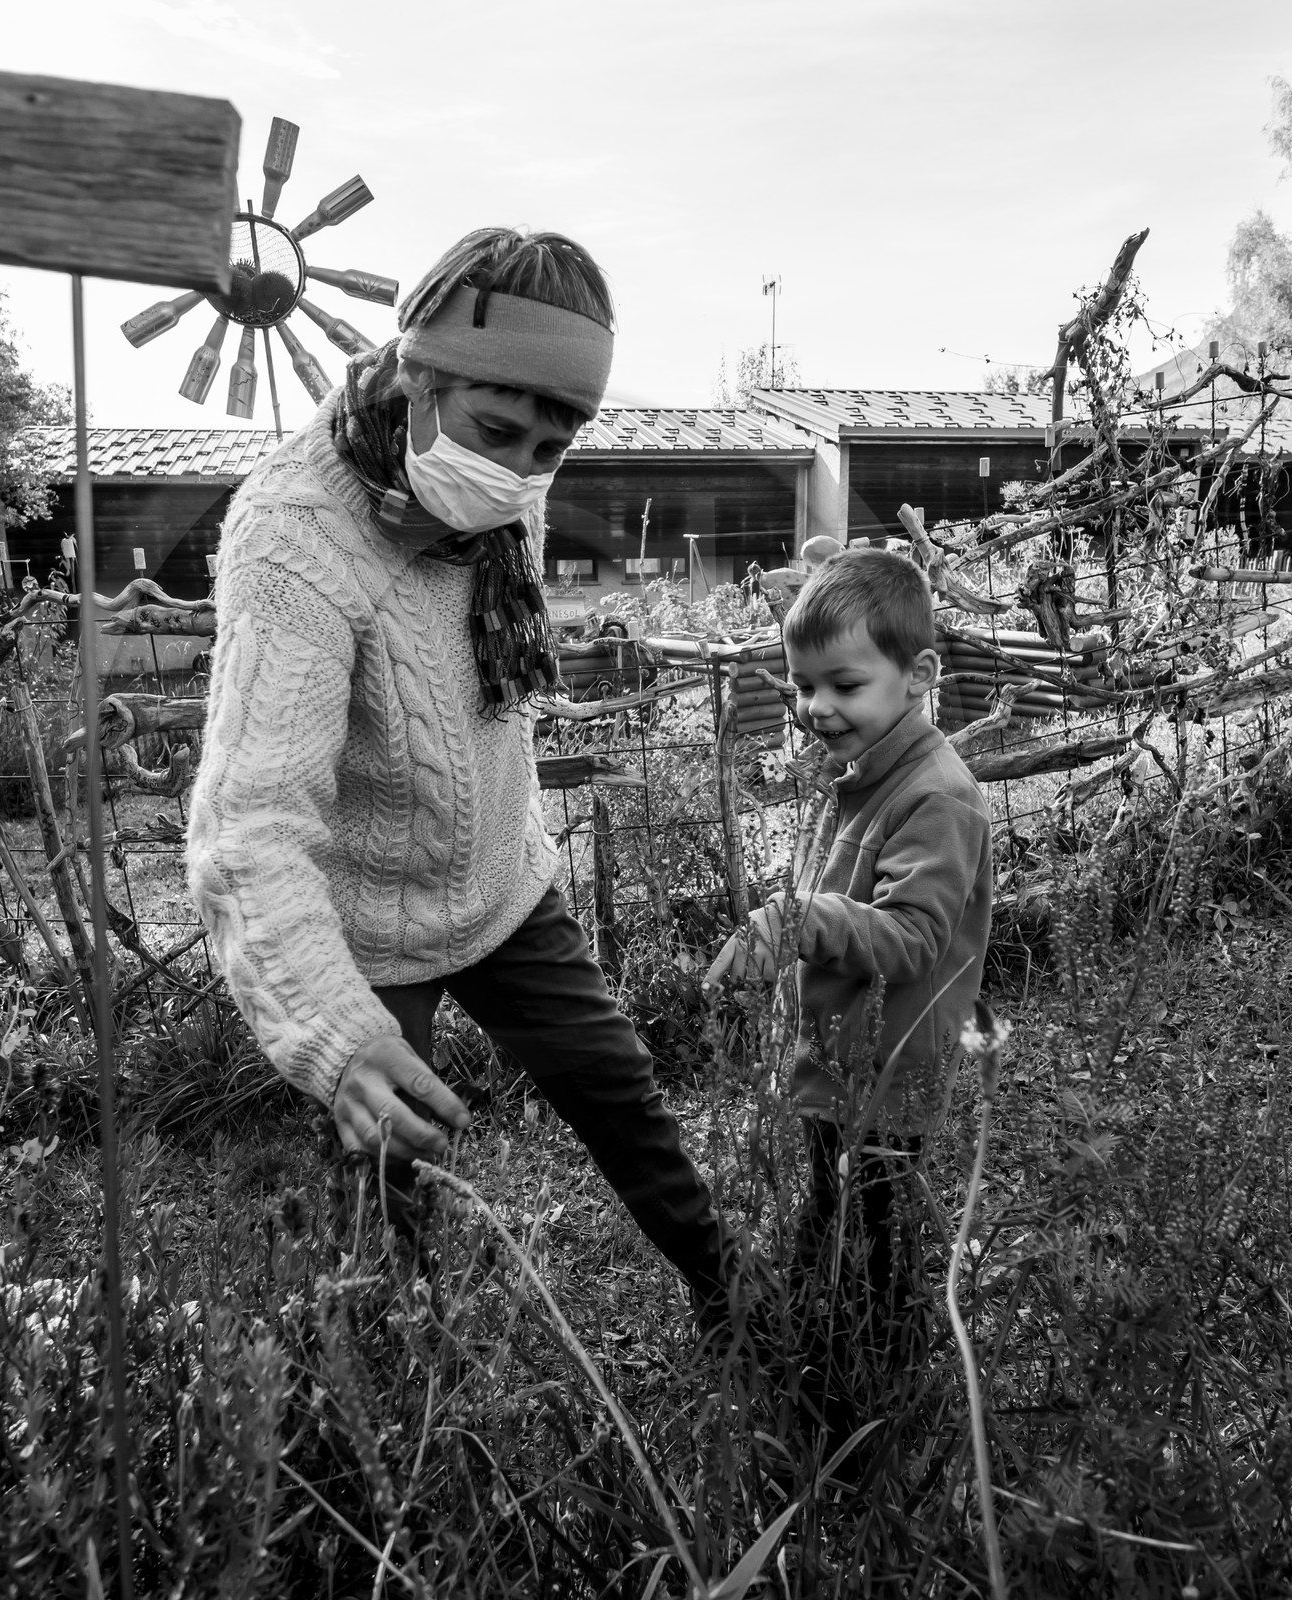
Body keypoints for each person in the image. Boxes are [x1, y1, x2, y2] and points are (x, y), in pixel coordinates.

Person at [186, 227, 734, 1319]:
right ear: (410, 375)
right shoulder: (294, 536)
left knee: (617, 1088)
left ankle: (741, 1301)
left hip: (499, 883)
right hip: (364, 926)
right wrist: (335, 1036)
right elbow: (246, 825)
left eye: (551, 443)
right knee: (390, 1169)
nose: (519, 471)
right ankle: (396, 1412)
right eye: (497, 429)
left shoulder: (498, 493)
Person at [706, 547, 993, 1362]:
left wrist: (799, 919)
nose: (815, 707)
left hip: (889, 1076)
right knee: (832, 1218)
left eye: (844, 685)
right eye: (803, 686)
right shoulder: (870, 774)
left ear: (920, 673)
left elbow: (909, 939)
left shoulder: (936, 796)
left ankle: (878, 1384)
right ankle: (811, 1345)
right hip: (844, 1066)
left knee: (875, 1246)